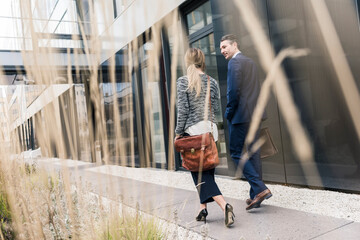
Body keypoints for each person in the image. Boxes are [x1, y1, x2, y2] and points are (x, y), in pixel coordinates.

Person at [175, 48, 235, 227]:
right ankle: (202, 209)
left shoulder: (183, 81)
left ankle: (225, 206)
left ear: (187, 62)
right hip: (210, 130)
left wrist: (178, 132)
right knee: (207, 170)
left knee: (199, 173)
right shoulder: (212, 81)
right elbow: (216, 109)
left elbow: (183, 111)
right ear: (203, 61)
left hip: (193, 132)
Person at [220, 34, 272, 210]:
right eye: (221, 49)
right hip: (254, 115)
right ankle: (255, 195)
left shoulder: (234, 63)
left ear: (235, 45)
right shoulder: (250, 62)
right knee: (254, 153)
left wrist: (228, 112)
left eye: (225, 47)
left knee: (235, 152)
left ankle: (260, 188)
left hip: (241, 116)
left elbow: (233, 92)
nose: (222, 51)